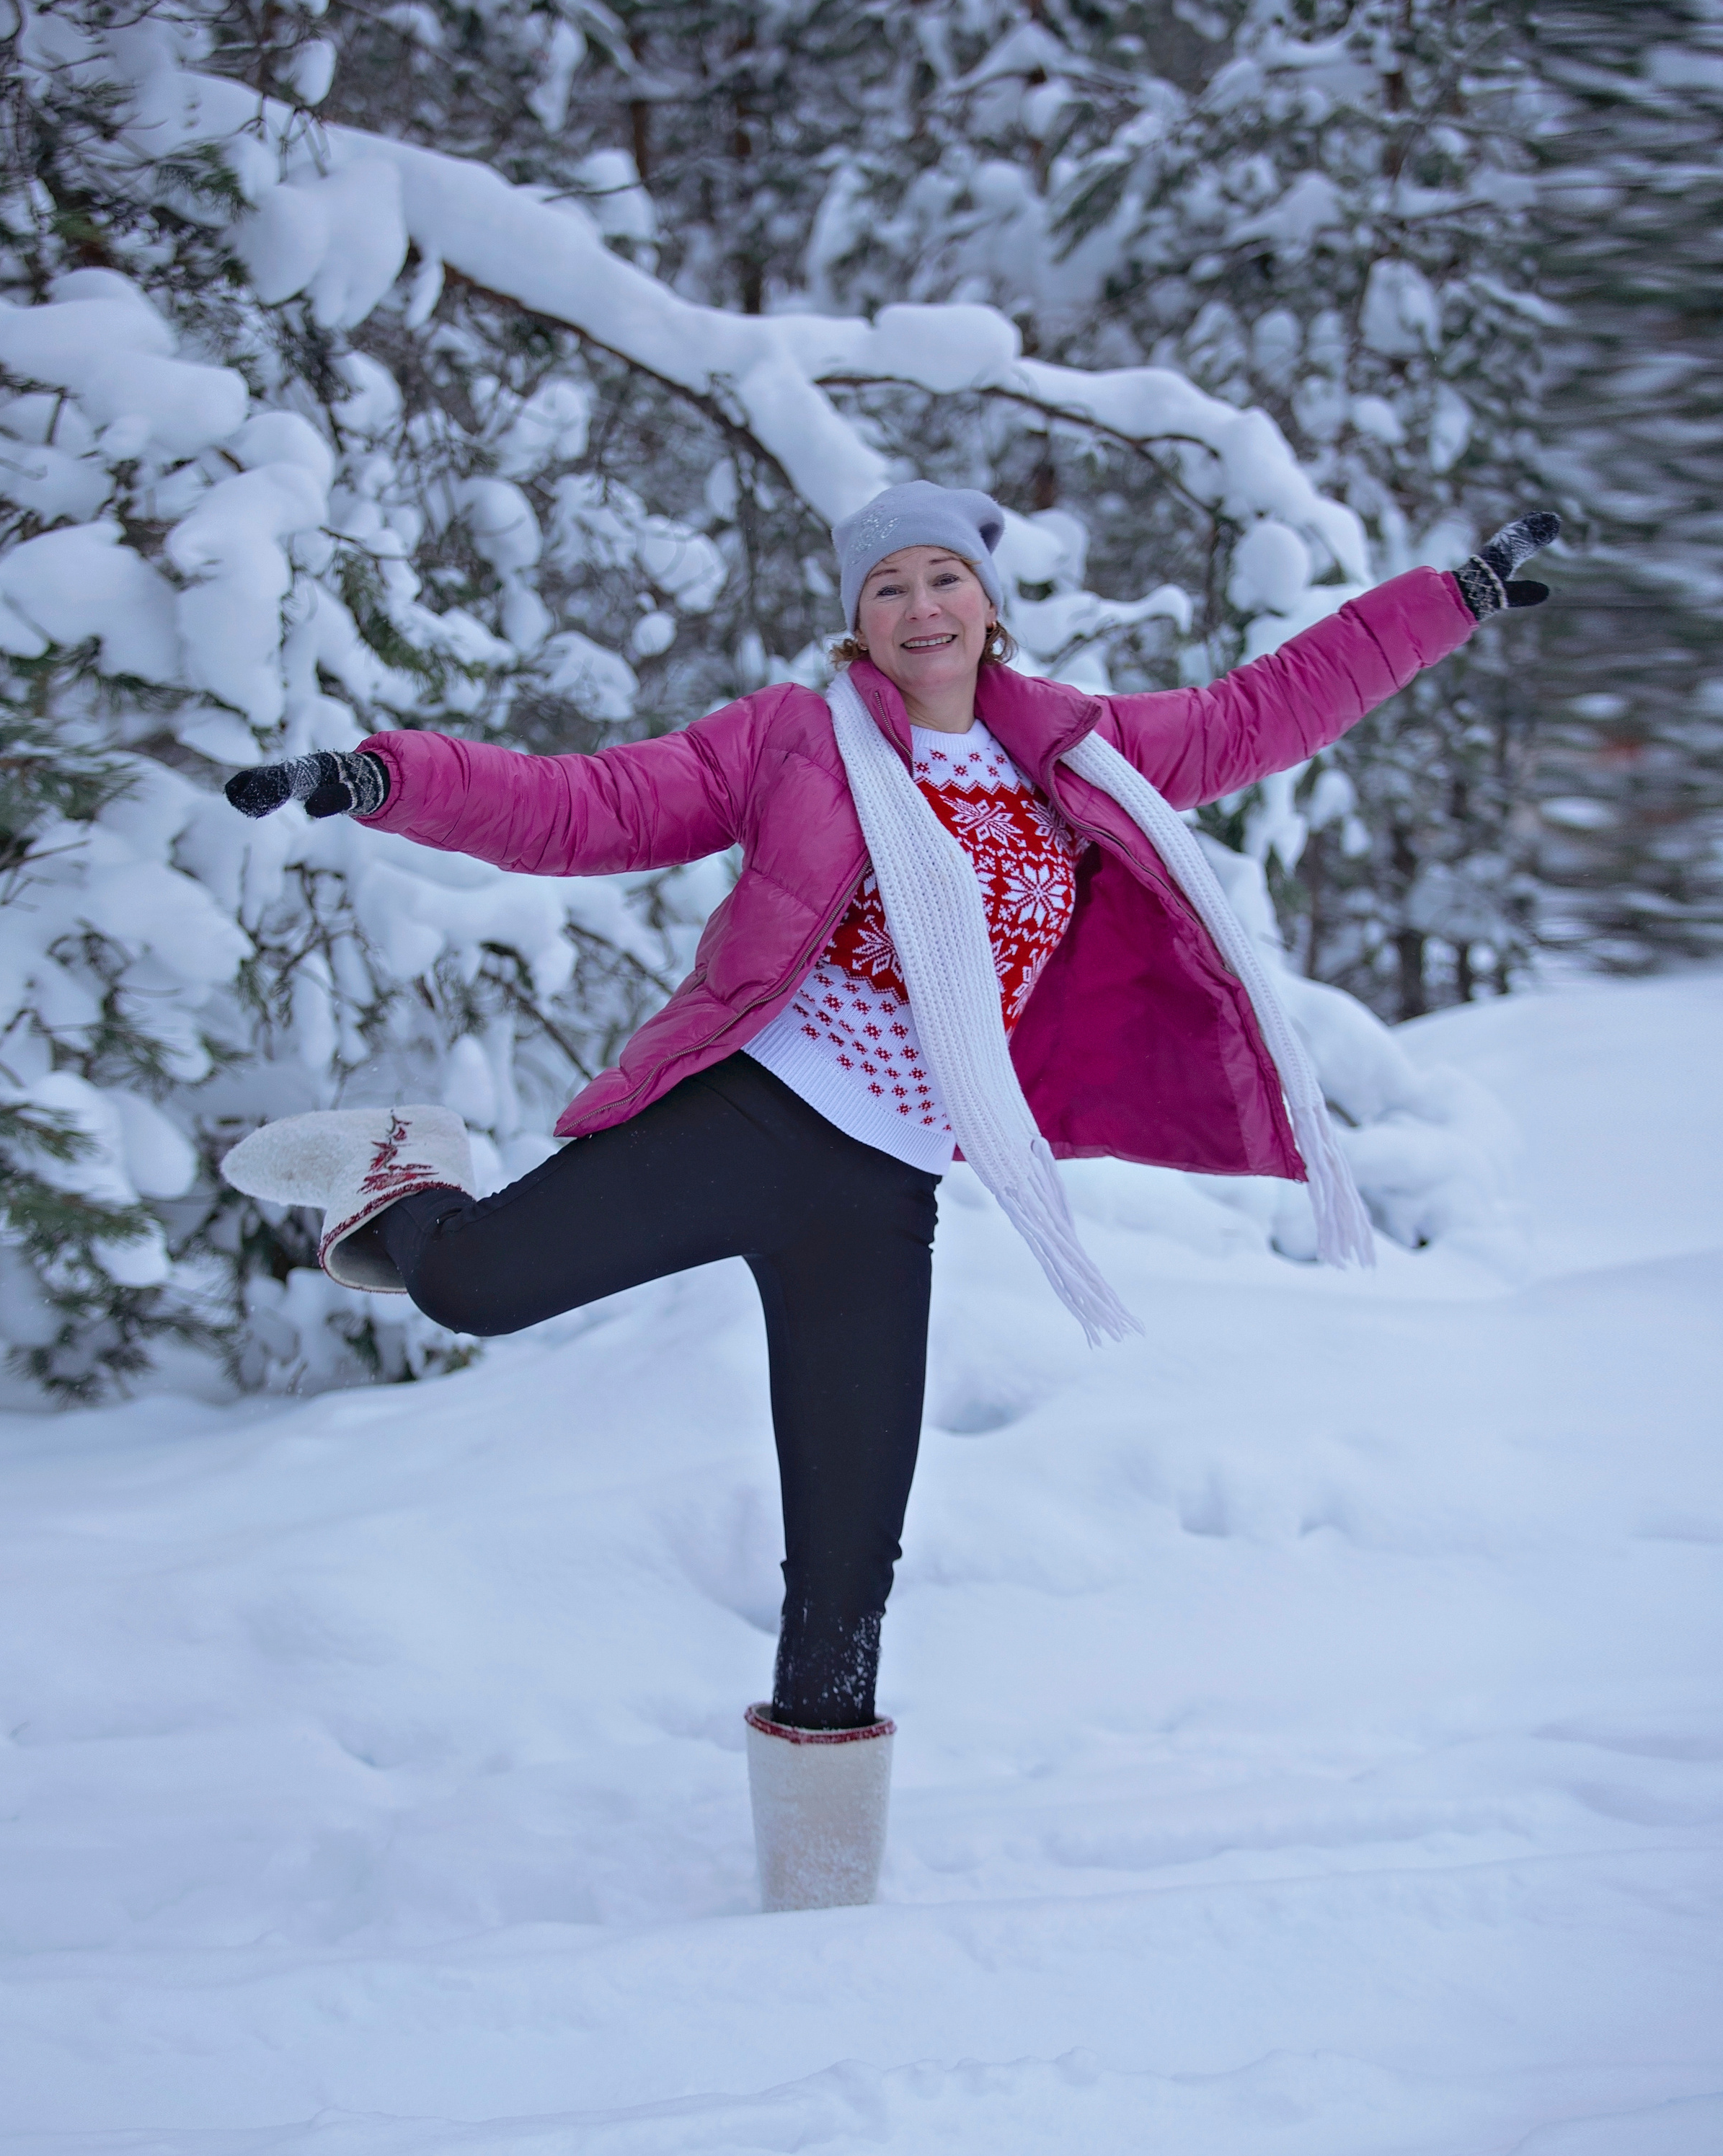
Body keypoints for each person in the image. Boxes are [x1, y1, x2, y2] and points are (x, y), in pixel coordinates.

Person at [221, 484, 1559, 1910]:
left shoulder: (1079, 751)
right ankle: (401, 1157)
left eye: (943, 578)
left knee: (848, 1554)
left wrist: (1447, 603)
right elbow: (589, 806)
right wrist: (383, 778)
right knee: (467, 1283)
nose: (921, 608)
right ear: (856, 621)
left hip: (882, 1194)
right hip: (749, 1117)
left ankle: (819, 1904)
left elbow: (1259, 711)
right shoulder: (795, 741)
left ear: (987, 602)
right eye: (887, 588)